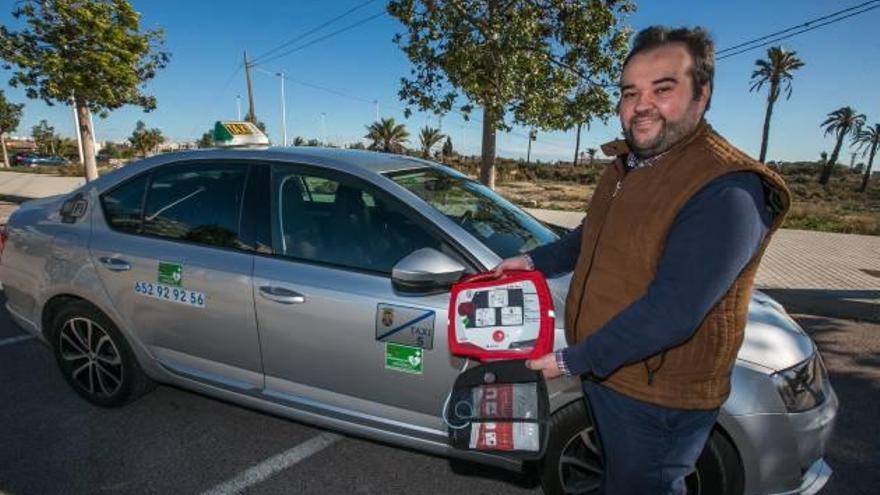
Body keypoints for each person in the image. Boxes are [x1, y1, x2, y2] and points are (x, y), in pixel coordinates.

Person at [494, 26, 791, 494]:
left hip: (657, 396)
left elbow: (671, 314)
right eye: (630, 92)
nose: (641, 105)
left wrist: (571, 360)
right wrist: (532, 261)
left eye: (663, 88)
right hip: (611, 374)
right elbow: (587, 238)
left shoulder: (727, 189)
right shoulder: (628, 166)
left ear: (703, 94)